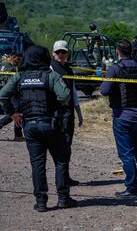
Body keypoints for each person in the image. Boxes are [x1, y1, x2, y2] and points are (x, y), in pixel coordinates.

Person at [0, 45, 78, 212]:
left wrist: (12, 113)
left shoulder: (19, 76)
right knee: (61, 161)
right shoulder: (51, 75)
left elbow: (3, 95)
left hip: (30, 126)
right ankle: (63, 198)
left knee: (37, 164)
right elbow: (65, 95)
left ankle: (41, 201)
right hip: (51, 125)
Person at [100, 39, 137, 198]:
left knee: (126, 153)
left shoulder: (115, 69)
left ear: (118, 52)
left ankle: (131, 188)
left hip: (122, 116)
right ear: (132, 51)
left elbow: (104, 91)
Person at [50, 40, 84, 186]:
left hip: (68, 112)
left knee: (67, 144)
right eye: (58, 52)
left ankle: (65, 176)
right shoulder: (50, 69)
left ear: (67, 53)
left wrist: (79, 111)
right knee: (58, 145)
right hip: (55, 112)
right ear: (53, 53)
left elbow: (74, 91)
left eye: (63, 52)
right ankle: (61, 177)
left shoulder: (69, 69)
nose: (61, 55)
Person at [0, 52, 24, 141]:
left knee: (17, 111)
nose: (19, 62)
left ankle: (18, 135)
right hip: (11, 92)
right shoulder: (9, 67)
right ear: (13, 57)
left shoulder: (3, 63)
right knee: (15, 112)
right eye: (17, 60)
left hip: (8, 91)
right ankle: (18, 135)